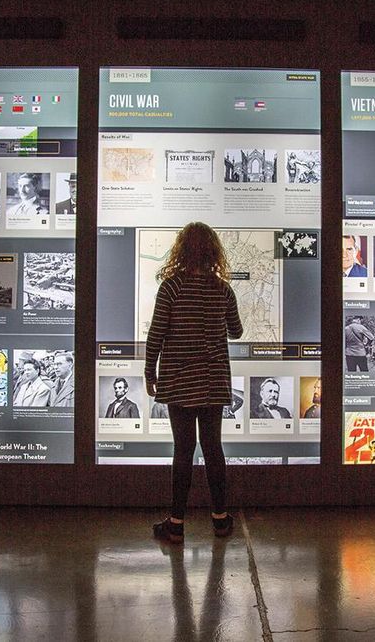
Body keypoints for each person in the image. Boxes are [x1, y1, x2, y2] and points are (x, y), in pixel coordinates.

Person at [145, 221, 243, 543]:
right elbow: (237, 331)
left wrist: (150, 373)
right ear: (213, 252)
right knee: (213, 447)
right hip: (213, 380)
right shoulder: (222, 289)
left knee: (183, 450)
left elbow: (156, 335)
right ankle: (220, 519)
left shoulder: (170, 287)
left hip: (179, 380)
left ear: (182, 250)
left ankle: (176, 524)